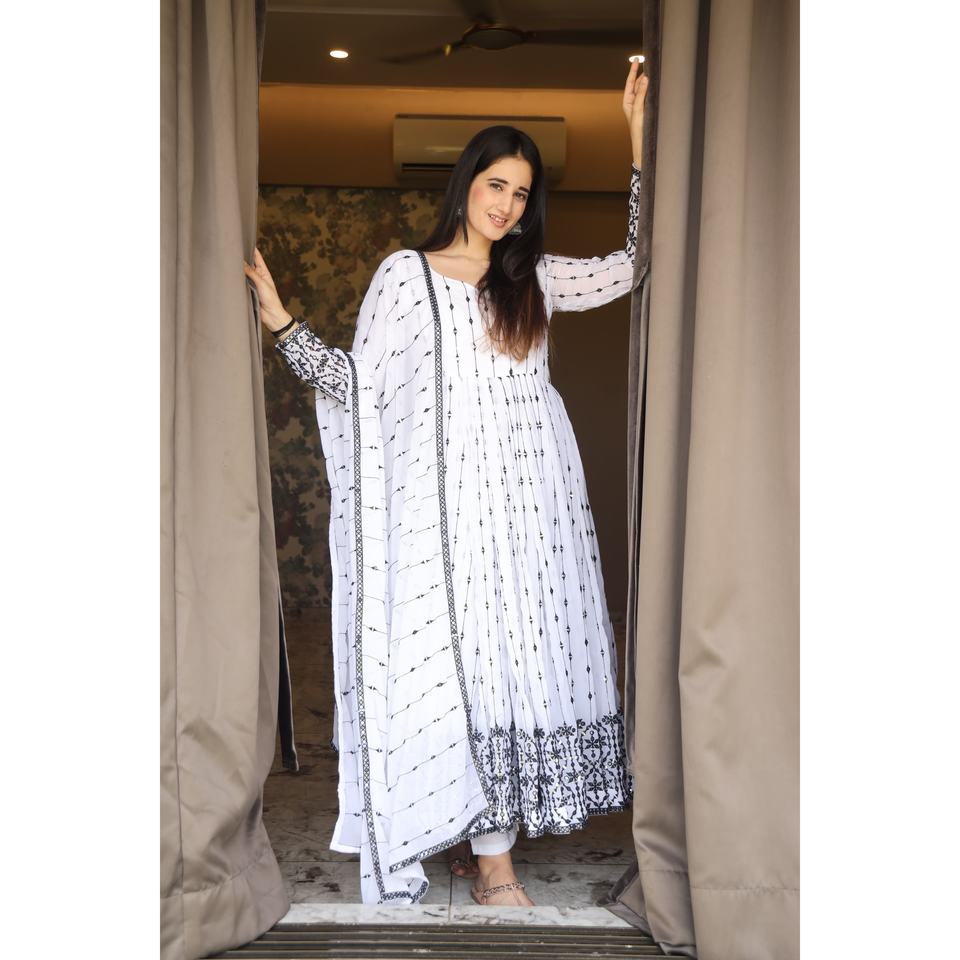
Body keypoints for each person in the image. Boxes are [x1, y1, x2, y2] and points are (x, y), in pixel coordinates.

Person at [245, 62, 649, 908]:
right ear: (466, 183)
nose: (505, 204)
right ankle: (493, 862)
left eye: (521, 193)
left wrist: (638, 142)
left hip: (537, 502)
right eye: (496, 184)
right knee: (466, 661)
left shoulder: (532, 279)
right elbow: (361, 388)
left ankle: (482, 838)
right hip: (452, 506)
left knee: (518, 662)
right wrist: (284, 325)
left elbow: (635, 264)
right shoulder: (407, 277)